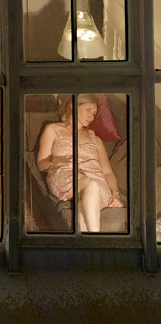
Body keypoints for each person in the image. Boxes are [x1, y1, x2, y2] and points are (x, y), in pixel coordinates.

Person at [37, 94, 123, 232]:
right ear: (73, 105)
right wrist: (61, 163)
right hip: (66, 175)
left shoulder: (96, 139)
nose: (91, 116)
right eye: (88, 110)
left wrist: (115, 194)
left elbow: (107, 172)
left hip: (97, 180)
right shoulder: (53, 129)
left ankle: (86, 248)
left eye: (94, 113)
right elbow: (41, 164)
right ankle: (95, 242)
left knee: (87, 202)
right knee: (91, 185)